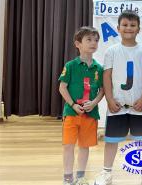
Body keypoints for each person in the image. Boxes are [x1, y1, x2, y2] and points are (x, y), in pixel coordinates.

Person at [94, 10, 142, 185]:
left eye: (132, 25)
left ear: (138, 29)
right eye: (125, 25)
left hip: (139, 105)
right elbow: (107, 76)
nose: (129, 28)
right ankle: (107, 172)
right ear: (118, 28)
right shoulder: (112, 51)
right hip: (117, 106)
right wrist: (109, 99)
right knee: (111, 141)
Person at [59, 27, 105, 185]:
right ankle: (67, 177)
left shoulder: (99, 68)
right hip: (71, 113)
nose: (93, 43)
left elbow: (102, 90)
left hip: (90, 115)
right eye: (89, 40)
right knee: (68, 145)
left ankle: (80, 176)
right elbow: (62, 87)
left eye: (96, 40)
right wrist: (72, 104)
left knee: (85, 146)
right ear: (78, 44)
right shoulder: (71, 65)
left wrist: (94, 103)